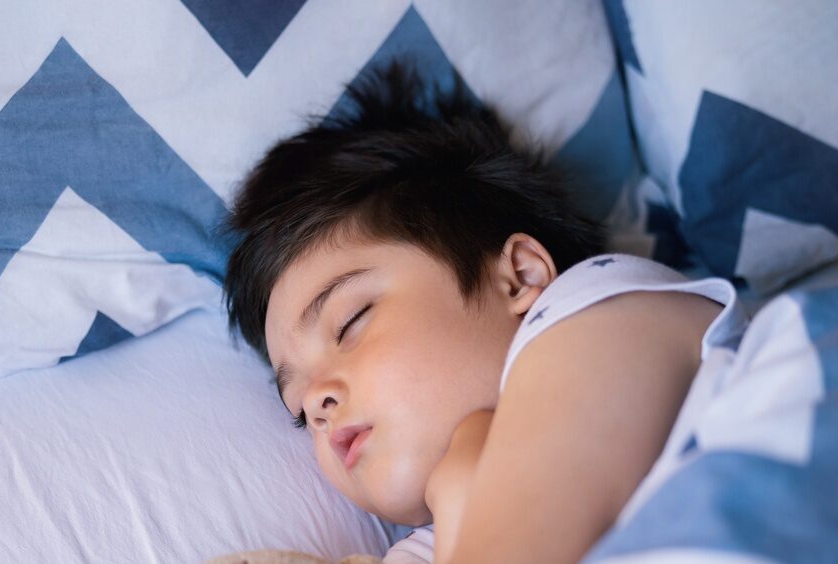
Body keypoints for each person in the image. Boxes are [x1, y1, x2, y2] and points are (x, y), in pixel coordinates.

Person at [221, 59, 744, 563]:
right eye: (297, 413)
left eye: (351, 322)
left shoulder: (605, 311)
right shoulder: (434, 540)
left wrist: (464, 485)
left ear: (520, 276)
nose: (316, 401)